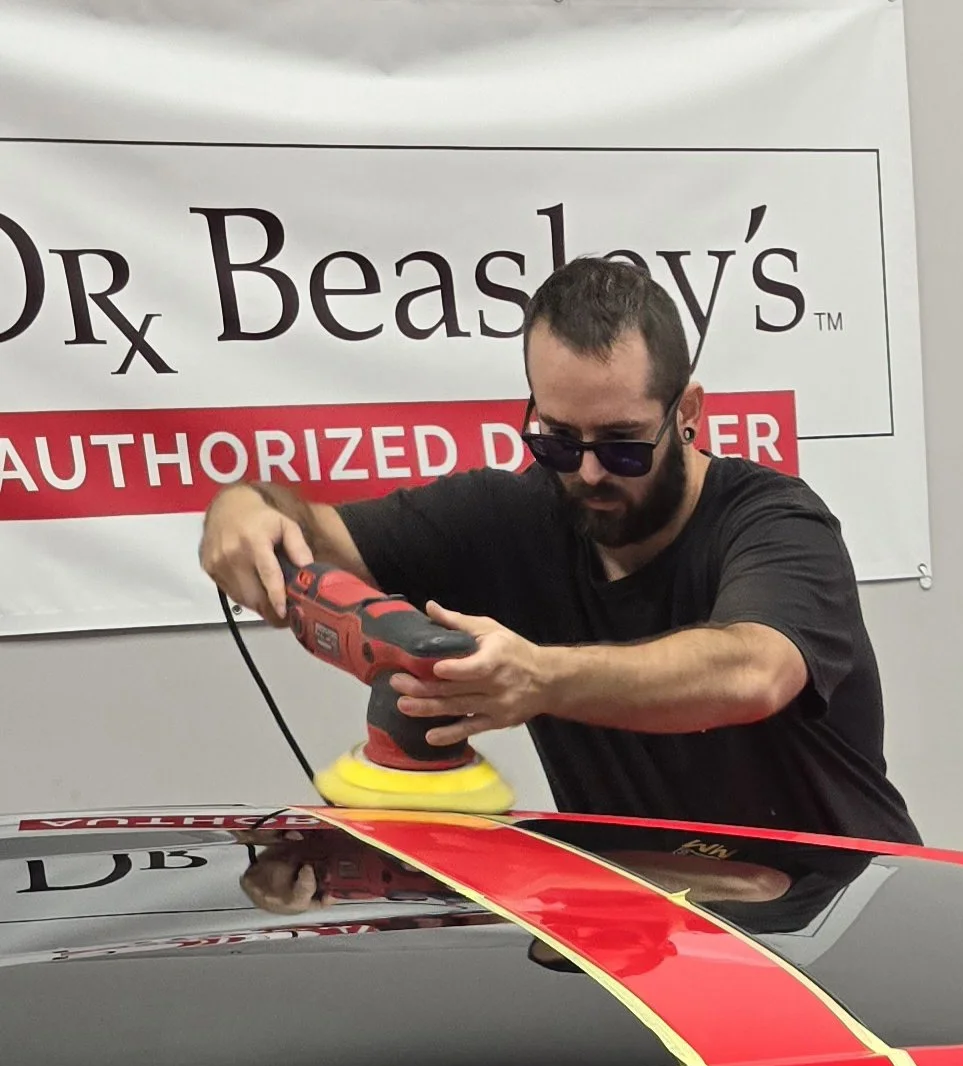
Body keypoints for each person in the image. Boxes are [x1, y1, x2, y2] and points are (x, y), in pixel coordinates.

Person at [198, 256, 916, 847]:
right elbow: (315, 532)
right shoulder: (507, 515)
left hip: (835, 930)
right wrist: (245, 506)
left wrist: (539, 678)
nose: (588, 472)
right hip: (653, 938)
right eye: (558, 439)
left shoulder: (776, 521)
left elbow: (753, 670)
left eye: (622, 443)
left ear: (688, 414)